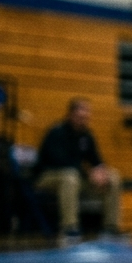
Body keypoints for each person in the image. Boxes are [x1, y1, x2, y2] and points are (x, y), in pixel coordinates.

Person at [34, 98, 123, 244]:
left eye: (86, 117)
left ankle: (110, 228)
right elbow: (60, 162)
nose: (84, 120)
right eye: (80, 117)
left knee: (112, 177)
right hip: (47, 177)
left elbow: (96, 160)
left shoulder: (87, 135)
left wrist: (100, 171)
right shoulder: (56, 132)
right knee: (70, 176)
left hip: (75, 177)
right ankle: (69, 228)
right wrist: (89, 173)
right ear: (70, 115)